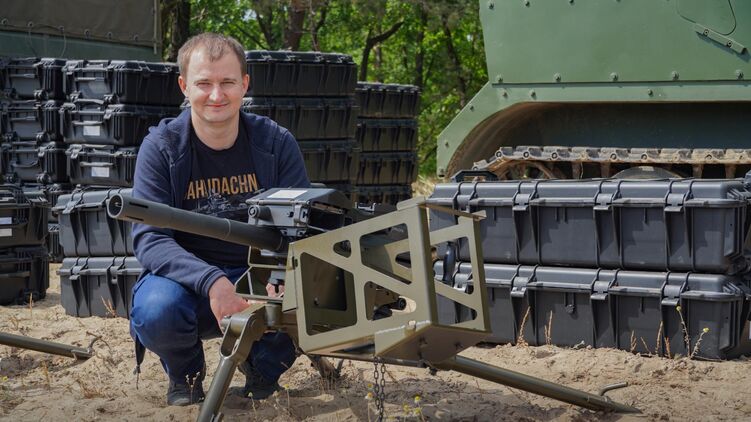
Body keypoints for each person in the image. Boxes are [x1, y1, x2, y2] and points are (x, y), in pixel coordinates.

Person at [129, 32, 310, 406]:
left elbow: (303, 227)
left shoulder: (276, 143)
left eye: (227, 82)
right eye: (204, 83)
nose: (216, 95)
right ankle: (186, 376)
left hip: (260, 278)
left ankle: (263, 370)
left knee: (311, 290)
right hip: (187, 283)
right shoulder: (162, 148)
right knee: (156, 310)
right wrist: (212, 282)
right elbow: (150, 238)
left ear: (244, 84)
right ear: (184, 86)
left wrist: (280, 276)